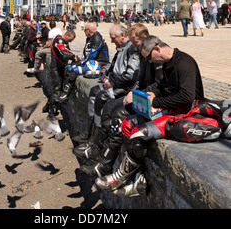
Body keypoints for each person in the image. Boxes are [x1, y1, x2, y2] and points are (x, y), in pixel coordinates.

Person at [94, 35, 206, 196]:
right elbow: (163, 87)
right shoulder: (167, 63)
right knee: (127, 124)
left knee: (139, 133)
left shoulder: (184, 62)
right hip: (169, 108)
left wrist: (156, 102)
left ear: (157, 48)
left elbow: (187, 97)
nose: (150, 62)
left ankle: (123, 177)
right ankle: (138, 178)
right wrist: (147, 94)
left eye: (149, 57)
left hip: (186, 112)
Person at [74, 25, 163, 179]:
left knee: (112, 107)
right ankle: (96, 146)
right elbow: (140, 79)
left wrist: (127, 89)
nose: (134, 45)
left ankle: (102, 157)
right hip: (135, 91)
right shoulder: (138, 51)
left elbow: (137, 78)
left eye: (135, 41)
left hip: (144, 97)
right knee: (107, 105)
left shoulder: (146, 53)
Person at [55, 22, 110, 104]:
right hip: (91, 62)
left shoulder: (97, 39)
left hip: (100, 64)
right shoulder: (89, 38)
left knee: (74, 70)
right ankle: (65, 92)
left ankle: (65, 95)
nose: (84, 31)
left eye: (85, 30)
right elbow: (86, 54)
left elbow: (92, 55)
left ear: (89, 31)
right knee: (69, 67)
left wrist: (81, 63)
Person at [48, 29, 77, 109]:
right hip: (55, 69)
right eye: (70, 40)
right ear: (67, 35)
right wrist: (73, 56)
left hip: (59, 68)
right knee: (57, 91)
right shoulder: (59, 40)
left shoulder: (62, 41)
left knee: (58, 89)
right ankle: (50, 112)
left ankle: (47, 106)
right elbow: (62, 51)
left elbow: (67, 51)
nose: (69, 42)